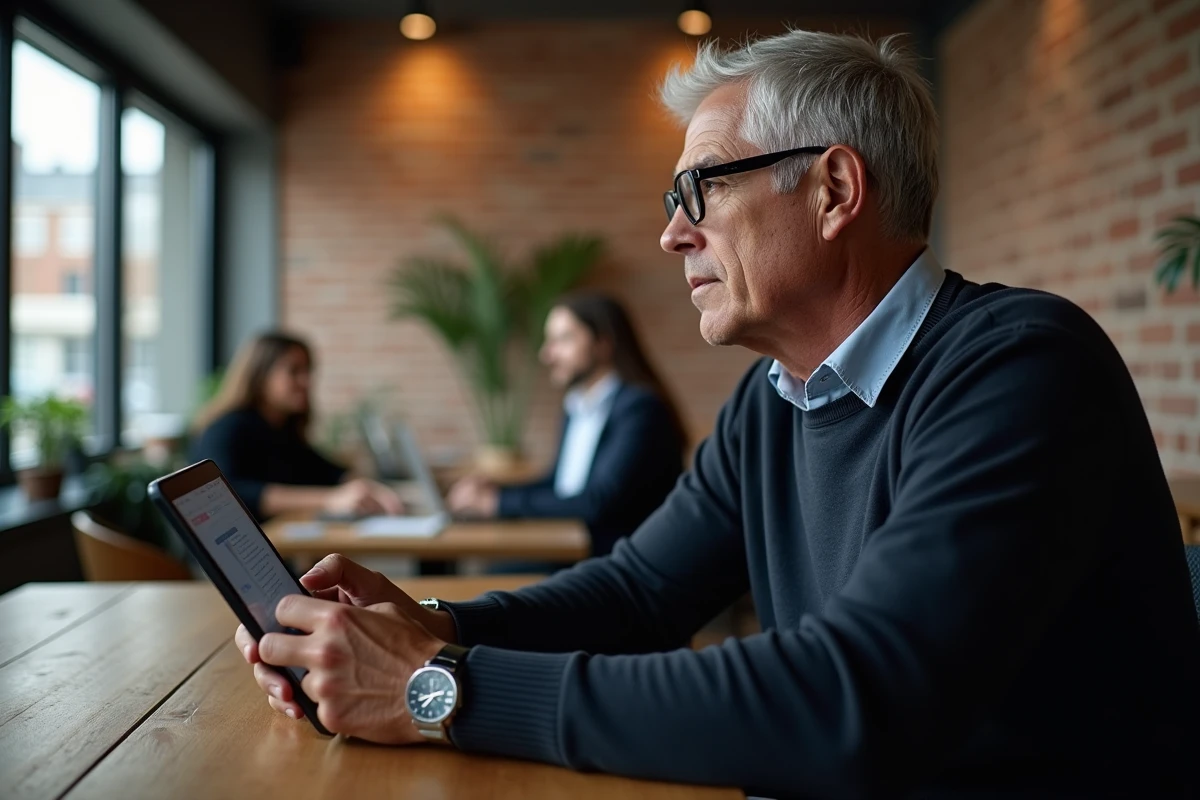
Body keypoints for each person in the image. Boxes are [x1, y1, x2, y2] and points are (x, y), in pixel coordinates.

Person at [233, 31, 1200, 797]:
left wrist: (437, 689)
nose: (669, 232)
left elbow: (853, 700)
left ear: (832, 190)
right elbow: (637, 595)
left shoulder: (1021, 368)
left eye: (699, 188)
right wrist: (429, 624)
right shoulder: (772, 400)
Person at [446, 292, 687, 557]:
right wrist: (494, 491)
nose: (547, 354)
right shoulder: (576, 406)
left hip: (618, 561)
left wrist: (498, 503)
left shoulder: (639, 409)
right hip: (577, 549)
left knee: (490, 578)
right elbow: (559, 484)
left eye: (562, 340)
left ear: (603, 343)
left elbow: (598, 501)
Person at [192, 332, 403, 520]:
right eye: (294, 371)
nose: (306, 381)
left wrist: (370, 488)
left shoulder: (283, 428)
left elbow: (326, 470)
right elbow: (232, 492)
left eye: (308, 371)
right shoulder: (227, 427)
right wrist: (329, 499)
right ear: (260, 374)